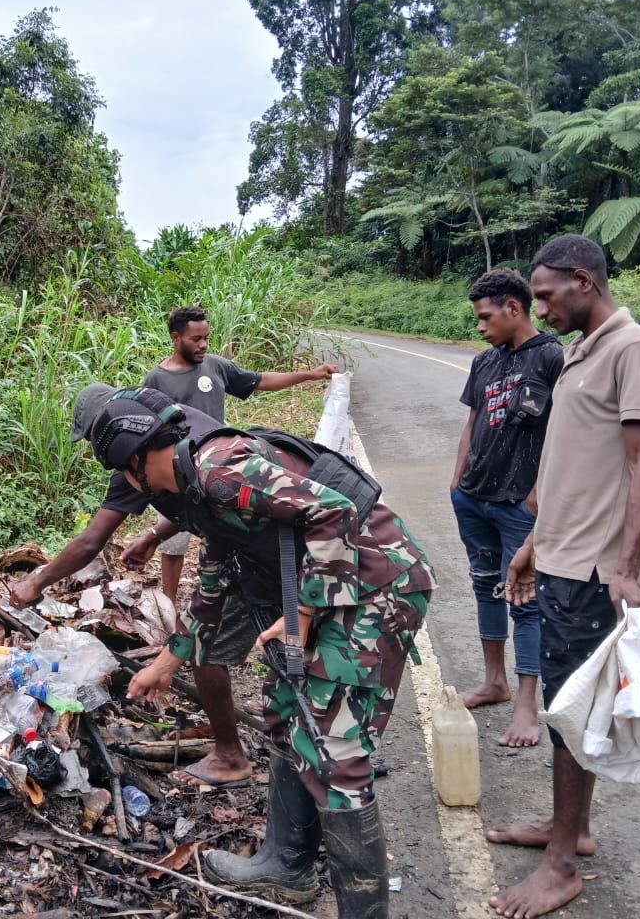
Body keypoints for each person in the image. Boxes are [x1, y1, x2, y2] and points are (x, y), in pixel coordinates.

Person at [79, 384, 435, 917]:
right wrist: (169, 659)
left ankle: (365, 910)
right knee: (285, 714)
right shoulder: (191, 489)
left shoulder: (219, 468)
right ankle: (286, 867)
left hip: (377, 583)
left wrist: (305, 617)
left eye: (127, 477)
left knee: (334, 751)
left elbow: (332, 512)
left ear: (133, 463)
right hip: (333, 584)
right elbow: (216, 578)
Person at [489, 235, 640, 919]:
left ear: (584, 280)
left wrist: (626, 568)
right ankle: (573, 829)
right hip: (562, 554)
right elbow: (576, 466)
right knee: (572, 706)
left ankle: (562, 863)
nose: (540, 306)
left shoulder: (635, 349)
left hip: (597, 570)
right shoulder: (582, 352)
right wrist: (535, 541)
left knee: (572, 711)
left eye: (546, 294)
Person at [8, 385, 260, 791]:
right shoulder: (180, 428)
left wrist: (35, 582)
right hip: (264, 546)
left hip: (263, 553)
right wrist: (154, 536)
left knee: (203, 646)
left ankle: (233, 756)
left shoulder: (137, 455)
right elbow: (199, 491)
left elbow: (92, 541)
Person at [142, 305, 339, 606]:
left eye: (206, 337)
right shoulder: (156, 380)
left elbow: (259, 381)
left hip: (220, 470)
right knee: (173, 545)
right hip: (177, 474)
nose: (204, 345)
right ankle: (169, 607)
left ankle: (224, 599)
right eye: (196, 339)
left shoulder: (216, 366)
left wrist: (309, 375)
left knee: (227, 536)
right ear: (175, 337)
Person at [450, 269, 563, 748]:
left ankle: (526, 703)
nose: (480, 327)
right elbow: (473, 422)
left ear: (513, 308)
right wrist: (457, 481)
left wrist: (539, 491)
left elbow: (565, 432)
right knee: (485, 587)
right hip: (474, 498)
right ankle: (494, 680)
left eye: (484, 316)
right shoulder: (484, 362)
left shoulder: (553, 358)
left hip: (520, 503)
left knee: (527, 601)